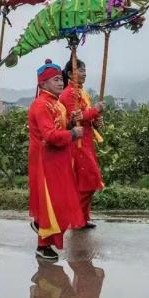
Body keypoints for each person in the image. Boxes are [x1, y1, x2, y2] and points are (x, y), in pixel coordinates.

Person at [27, 60, 84, 262]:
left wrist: (69, 122)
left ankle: (40, 225)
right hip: (45, 161)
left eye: (62, 79)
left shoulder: (56, 103)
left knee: (60, 203)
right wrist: (73, 133)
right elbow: (50, 135)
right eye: (56, 79)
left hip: (59, 159)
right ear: (42, 84)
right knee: (52, 203)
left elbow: (58, 128)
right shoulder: (41, 105)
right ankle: (43, 245)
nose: (61, 82)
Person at [59, 57, 103, 228]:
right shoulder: (69, 93)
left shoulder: (82, 92)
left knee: (87, 181)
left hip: (86, 140)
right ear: (70, 74)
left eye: (85, 70)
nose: (84, 73)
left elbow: (87, 116)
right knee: (88, 180)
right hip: (76, 143)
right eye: (80, 70)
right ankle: (76, 219)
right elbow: (76, 117)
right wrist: (95, 110)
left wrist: (96, 120)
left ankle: (83, 218)